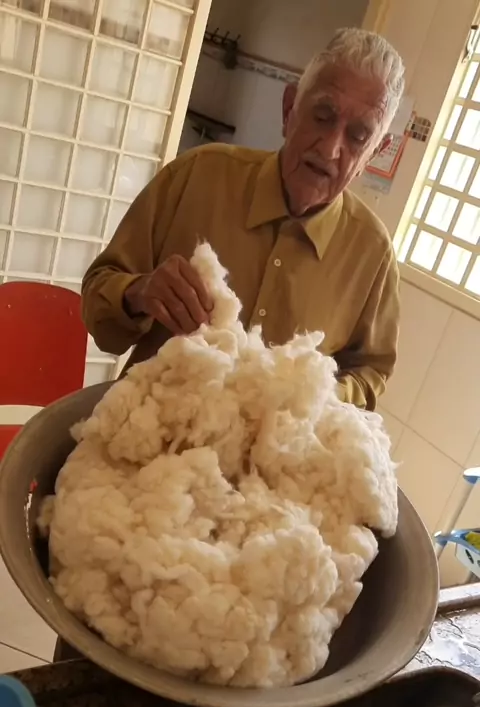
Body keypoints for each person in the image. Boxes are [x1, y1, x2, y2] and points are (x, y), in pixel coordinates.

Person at [55, 27, 405, 662]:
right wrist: (138, 292)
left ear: (376, 150)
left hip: (258, 548)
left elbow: (370, 372)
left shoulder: (372, 255)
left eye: (358, 135)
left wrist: (313, 394)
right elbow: (101, 293)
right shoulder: (198, 177)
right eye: (322, 114)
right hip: (131, 502)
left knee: (217, 679)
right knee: (87, 675)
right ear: (289, 106)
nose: (331, 147)